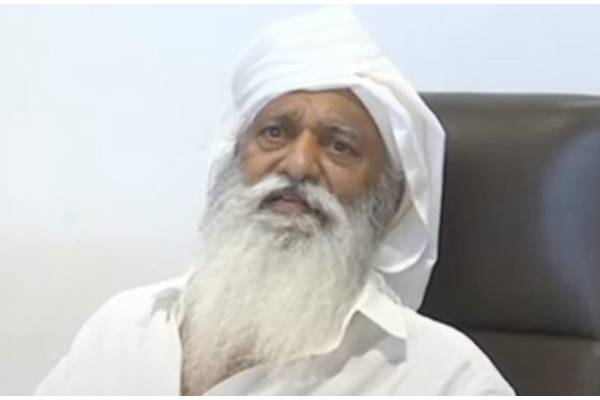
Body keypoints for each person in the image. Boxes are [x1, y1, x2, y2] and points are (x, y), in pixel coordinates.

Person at [35, 7, 514, 395]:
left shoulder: (443, 378)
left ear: (390, 202)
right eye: (275, 133)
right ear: (232, 161)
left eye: (339, 146)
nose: (299, 165)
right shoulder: (124, 328)